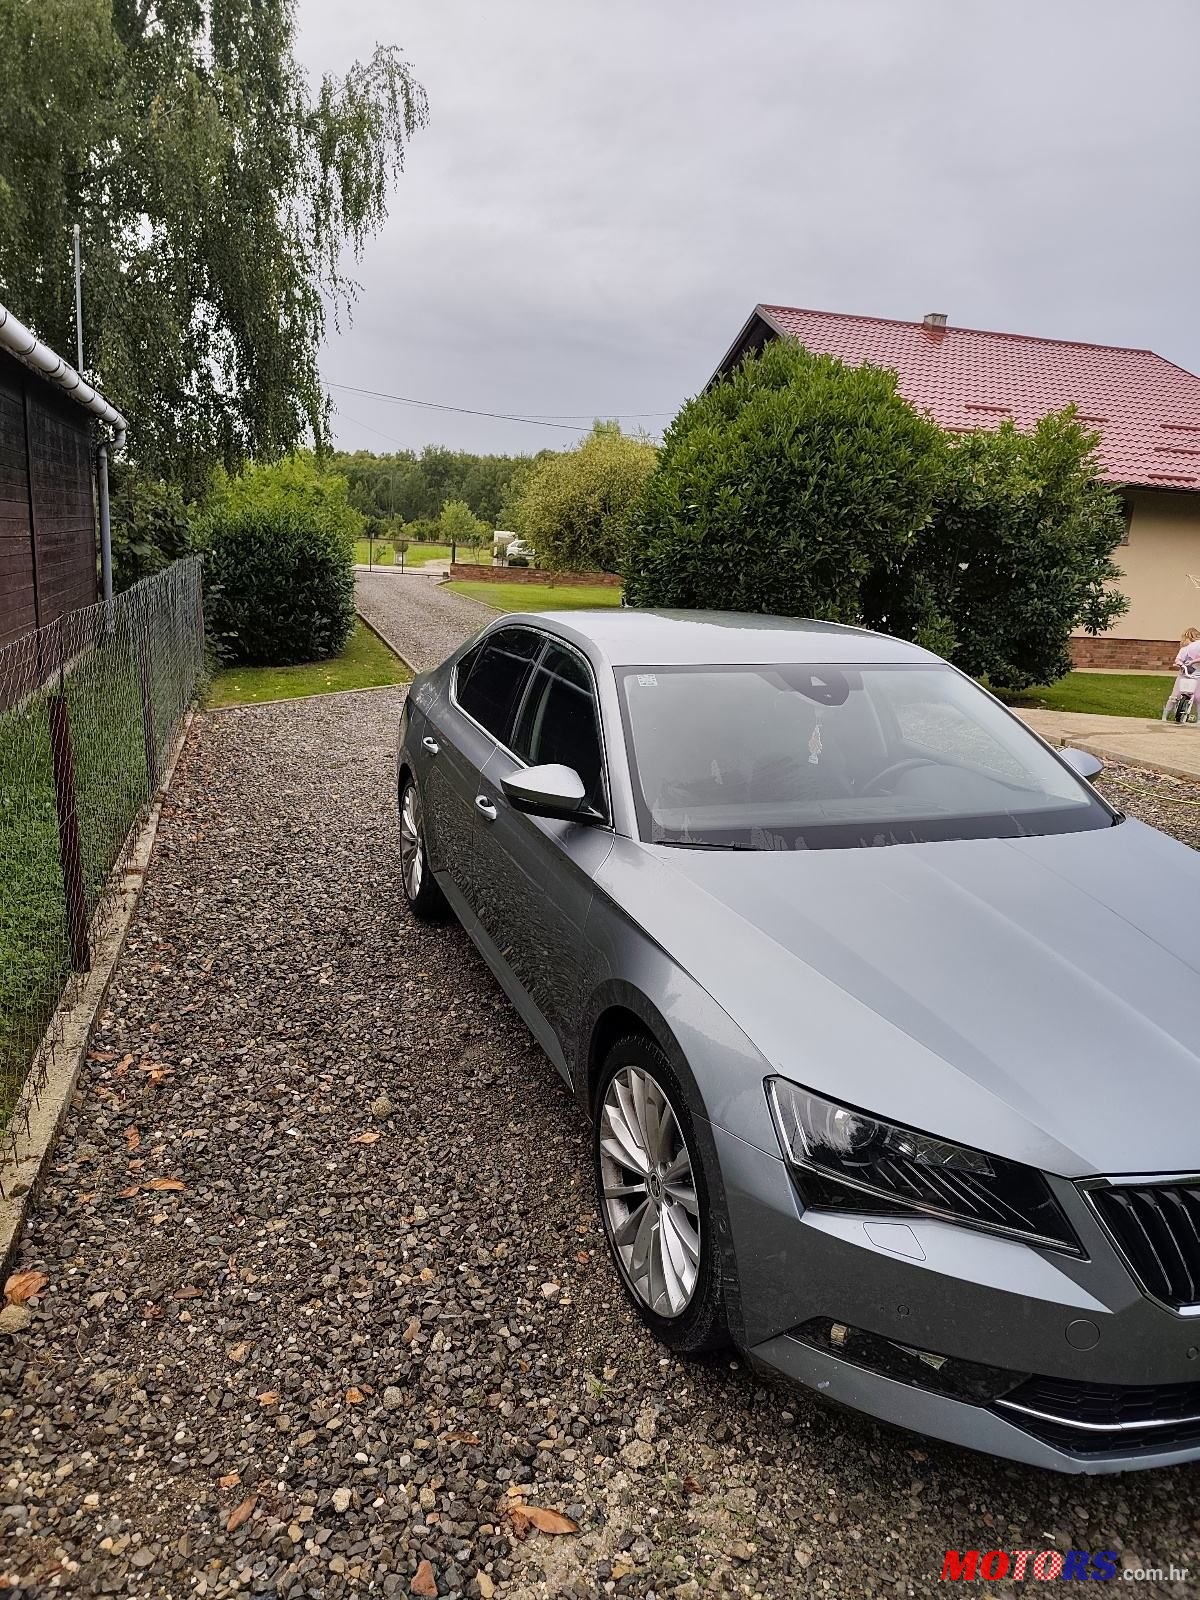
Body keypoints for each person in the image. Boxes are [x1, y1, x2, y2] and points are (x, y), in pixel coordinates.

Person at [1162, 627, 1200, 723]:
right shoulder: (1184, 650)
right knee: (1175, 696)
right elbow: (1178, 659)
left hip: (1197, 675)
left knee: (1197, 697)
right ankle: (1165, 715)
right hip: (1184, 674)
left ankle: (1198, 718)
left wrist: (1192, 662)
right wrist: (1180, 663)